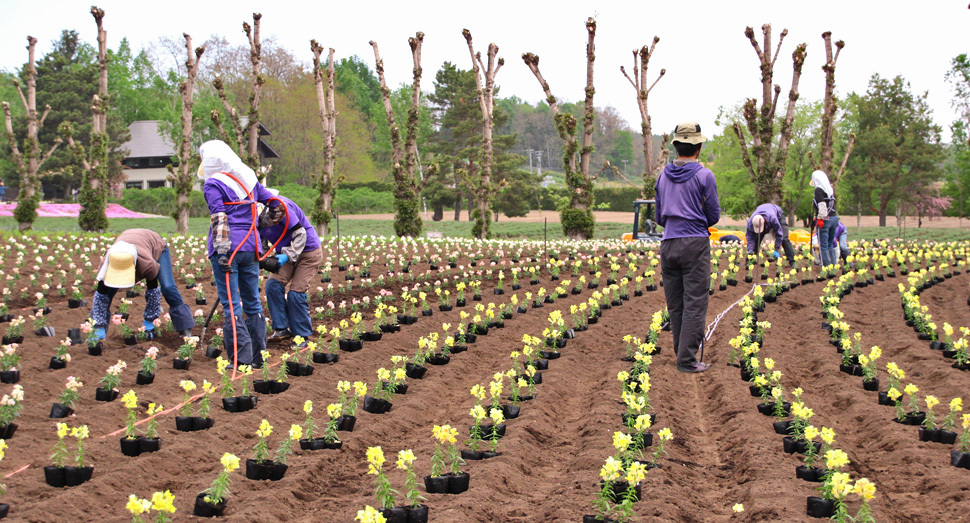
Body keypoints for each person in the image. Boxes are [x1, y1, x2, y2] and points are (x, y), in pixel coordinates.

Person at [200, 140, 276, 368]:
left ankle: (240, 360)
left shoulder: (213, 184)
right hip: (251, 249)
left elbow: (219, 217)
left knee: (232, 305)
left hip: (229, 251)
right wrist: (260, 229)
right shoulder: (249, 180)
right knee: (253, 302)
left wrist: (222, 252)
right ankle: (258, 358)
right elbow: (276, 205)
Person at [655, 122, 720, 373]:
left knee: (676, 303)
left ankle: (680, 353)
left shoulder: (662, 176)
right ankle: (687, 360)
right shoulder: (704, 175)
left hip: (668, 243)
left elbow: (660, 216)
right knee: (695, 301)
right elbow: (713, 215)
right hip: (694, 243)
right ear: (698, 147)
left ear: (676, 147)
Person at [90, 229, 194, 340]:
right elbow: (101, 295)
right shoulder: (109, 263)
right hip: (130, 243)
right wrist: (98, 325)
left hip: (154, 243)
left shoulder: (147, 264)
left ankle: (185, 327)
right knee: (108, 291)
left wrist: (149, 321)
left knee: (168, 287)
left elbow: (153, 290)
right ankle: (98, 331)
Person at [257, 195, 324, 346]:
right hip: (284, 252)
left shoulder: (282, 208)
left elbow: (302, 235)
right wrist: (263, 259)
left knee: (296, 293)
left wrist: (286, 256)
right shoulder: (254, 221)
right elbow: (262, 246)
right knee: (272, 285)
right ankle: (281, 329)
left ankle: (302, 336)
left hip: (308, 252)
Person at [811, 170, 839, 267]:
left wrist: (820, 218)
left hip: (826, 220)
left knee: (823, 245)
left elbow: (822, 205)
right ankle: (834, 265)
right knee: (830, 243)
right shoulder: (829, 189)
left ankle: (826, 268)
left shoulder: (818, 190)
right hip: (834, 218)